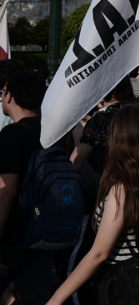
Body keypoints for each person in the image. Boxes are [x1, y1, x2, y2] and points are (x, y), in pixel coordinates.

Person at [50, 105, 139, 305]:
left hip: (123, 282)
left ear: (117, 139)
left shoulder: (124, 188)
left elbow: (99, 253)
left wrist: (56, 299)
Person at [0, 71, 62, 302]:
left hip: (14, 235)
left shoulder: (12, 134)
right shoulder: (52, 132)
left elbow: (7, 191)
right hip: (45, 232)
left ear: (9, 96)